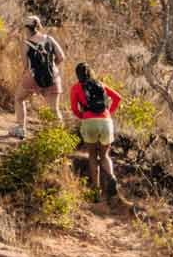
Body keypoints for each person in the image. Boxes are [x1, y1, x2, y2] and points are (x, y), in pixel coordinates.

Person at [69, 63, 123, 203]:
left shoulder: (75, 88)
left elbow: (74, 109)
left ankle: (96, 190)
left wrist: (84, 117)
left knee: (93, 156)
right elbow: (118, 98)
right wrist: (108, 113)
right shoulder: (101, 84)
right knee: (105, 155)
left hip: (89, 122)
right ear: (91, 72)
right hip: (106, 122)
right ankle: (111, 177)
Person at [10, 15, 65, 138]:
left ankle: (21, 128)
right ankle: (60, 136)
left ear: (26, 28)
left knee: (19, 98)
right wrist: (51, 67)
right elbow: (61, 57)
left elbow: (26, 66)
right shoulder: (50, 39)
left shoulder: (26, 43)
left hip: (33, 77)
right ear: (38, 26)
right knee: (54, 110)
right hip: (53, 77)